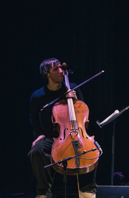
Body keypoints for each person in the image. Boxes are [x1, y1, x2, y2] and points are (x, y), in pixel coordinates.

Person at [28, 58, 97, 198]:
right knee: (36, 151)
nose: (61, 71)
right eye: (56, 69)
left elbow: (82, 112)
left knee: (92, 148)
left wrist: (75, 100)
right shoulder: (37, 96)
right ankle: (43, 192)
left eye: (61, 68)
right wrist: (39, 134)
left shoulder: (72, 87)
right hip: (50, 136)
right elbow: (33, 117)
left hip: (74, 132)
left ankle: (87, 190)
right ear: (47, 73)